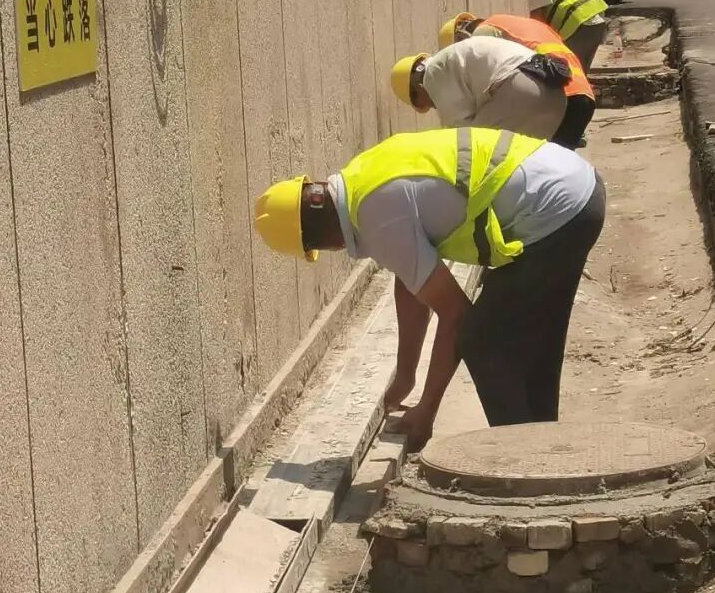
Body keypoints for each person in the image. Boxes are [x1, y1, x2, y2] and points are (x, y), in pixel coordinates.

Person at [253, 128, 606, 451]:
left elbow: (456, 315)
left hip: (557, 208)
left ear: (320, 240)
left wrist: (427, 410)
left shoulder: (377, 218)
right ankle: (543, 453)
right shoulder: (362, 180)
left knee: (483, 338)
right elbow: (412, 281)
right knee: (534, 342)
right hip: (571, 185)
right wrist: (406, 374)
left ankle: (524, 462)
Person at [438, 11, 594, 148]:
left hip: (558, 94)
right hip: (583, 95)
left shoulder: (481, 36)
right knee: (557, 163)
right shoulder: (513, 24)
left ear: (461, 38)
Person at [390, 35, 576, 146]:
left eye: (424, 105)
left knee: (478, 151)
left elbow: (461, 135)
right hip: (555, 94)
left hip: (520, 91)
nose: (433, 107)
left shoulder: (433, 76)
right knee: (524, 160)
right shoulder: (453, 59)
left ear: (417, 88)